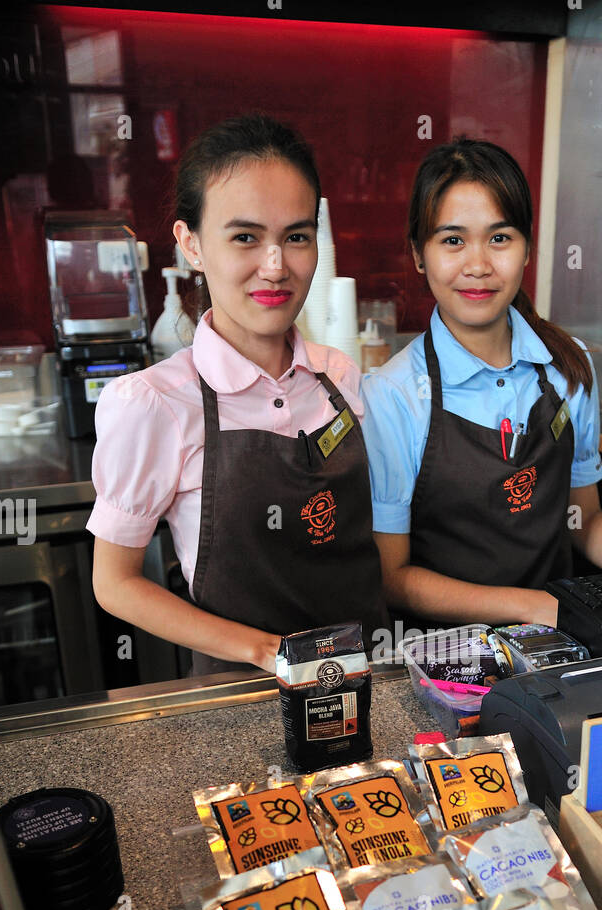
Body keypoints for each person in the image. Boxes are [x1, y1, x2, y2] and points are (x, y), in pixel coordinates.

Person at [89, 114, 387, 675]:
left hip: (365, 683)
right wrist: (268, 652)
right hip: (239, 703)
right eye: (245, 237)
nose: (275, 268)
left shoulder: (338, 377)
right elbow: (115, 583)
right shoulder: (156, 404)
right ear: (192, 244)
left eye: (296, 237)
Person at [361, 137, 602, 629]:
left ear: (527, 248)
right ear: (419, 256)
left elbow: (585, 522)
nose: (479, 265)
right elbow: (392, 576)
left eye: (500, 238)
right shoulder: (393, 394)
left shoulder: (570, 368)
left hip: (560, 650)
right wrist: (534, 608)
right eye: (452, 240)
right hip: (448, 667)